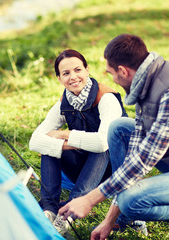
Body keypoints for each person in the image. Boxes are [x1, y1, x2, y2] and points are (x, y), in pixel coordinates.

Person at [58, 34, 169, 240]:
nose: (111, 79)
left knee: (131, 201)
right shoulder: (145, 81)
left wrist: (89, 200)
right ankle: (125, 218)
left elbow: (143, 161)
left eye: (111, 73)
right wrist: (109, 220)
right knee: (119, 127)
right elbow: (135, 152)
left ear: (123, 71)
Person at [29, 49, 127, 234]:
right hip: (83, 170)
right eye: (66, 73)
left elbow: (101, 144)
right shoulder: (64, 103)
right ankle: (49, 210)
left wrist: (65, 135)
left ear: (87, 70)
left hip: (113, 171)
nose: (73, 77)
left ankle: (70, 212)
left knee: (102, 145)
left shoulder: (106, 98)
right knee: (50, 147)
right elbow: (34, 141)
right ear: (59, 78)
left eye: (77, 70)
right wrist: (64, 144)